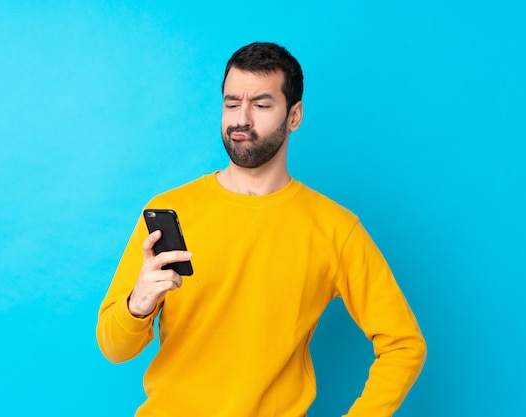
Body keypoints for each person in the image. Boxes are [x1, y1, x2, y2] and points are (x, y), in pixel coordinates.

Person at [96, 42, 426, 417]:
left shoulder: (335, 229)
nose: (242, 119)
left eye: (262, 105)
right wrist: (137, 306)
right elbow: (114, 348)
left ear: (294, 115)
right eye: (232, 103)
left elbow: (404, 344)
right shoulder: (172, 211)